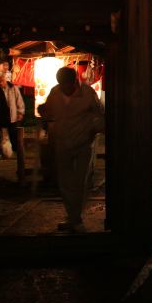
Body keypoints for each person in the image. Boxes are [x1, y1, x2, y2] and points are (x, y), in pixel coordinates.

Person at [38, 67, 104, 233]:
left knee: (80, 181)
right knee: (65, 182)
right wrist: (43, 111)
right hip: (62, 142)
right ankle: (73, 216)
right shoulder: (55, 92)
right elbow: (49, 112)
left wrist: (94, 129)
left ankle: (75, 217)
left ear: (75, 81)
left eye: (67, 85)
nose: (65, 89)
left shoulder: (88, 93)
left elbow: (100, 114)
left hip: (83, 142)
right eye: (62, 85)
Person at [0, 72, 26, 181]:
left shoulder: (13, 88)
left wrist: (20, 112)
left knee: (14, 136)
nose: (0, 83)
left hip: (12, 117)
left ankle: (19, 158)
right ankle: (3, 153)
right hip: (2, 117)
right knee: (2, 136)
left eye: (2, 81)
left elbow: (19, 101)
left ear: (5, 80)